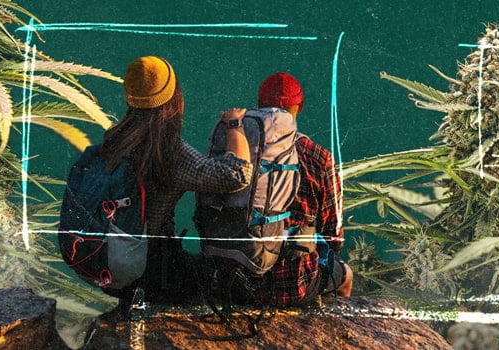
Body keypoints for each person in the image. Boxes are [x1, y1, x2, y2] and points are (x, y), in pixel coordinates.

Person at [101, 56, 253, 303]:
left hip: (114, 258)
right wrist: (234, 125)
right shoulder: (168, 150)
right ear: (173, 97)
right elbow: (236, 175)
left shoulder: (115, 139)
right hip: (153, 269)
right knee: (221, 279)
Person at [254, 72, 353, 306]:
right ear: (300, 106)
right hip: (293, 286)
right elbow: (334, 238)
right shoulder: (319, 158)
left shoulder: (239, 150)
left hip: (240, 281)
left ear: (258, 106)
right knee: (345, 275)